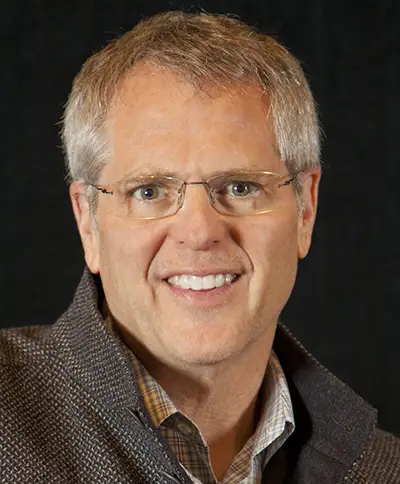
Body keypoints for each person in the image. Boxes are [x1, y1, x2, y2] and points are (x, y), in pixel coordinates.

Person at [1, 11, 399, 484]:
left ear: (305, 209)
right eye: (149, 191)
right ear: (88, 222)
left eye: (240, 187)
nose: (199, 230)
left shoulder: (381, 469)